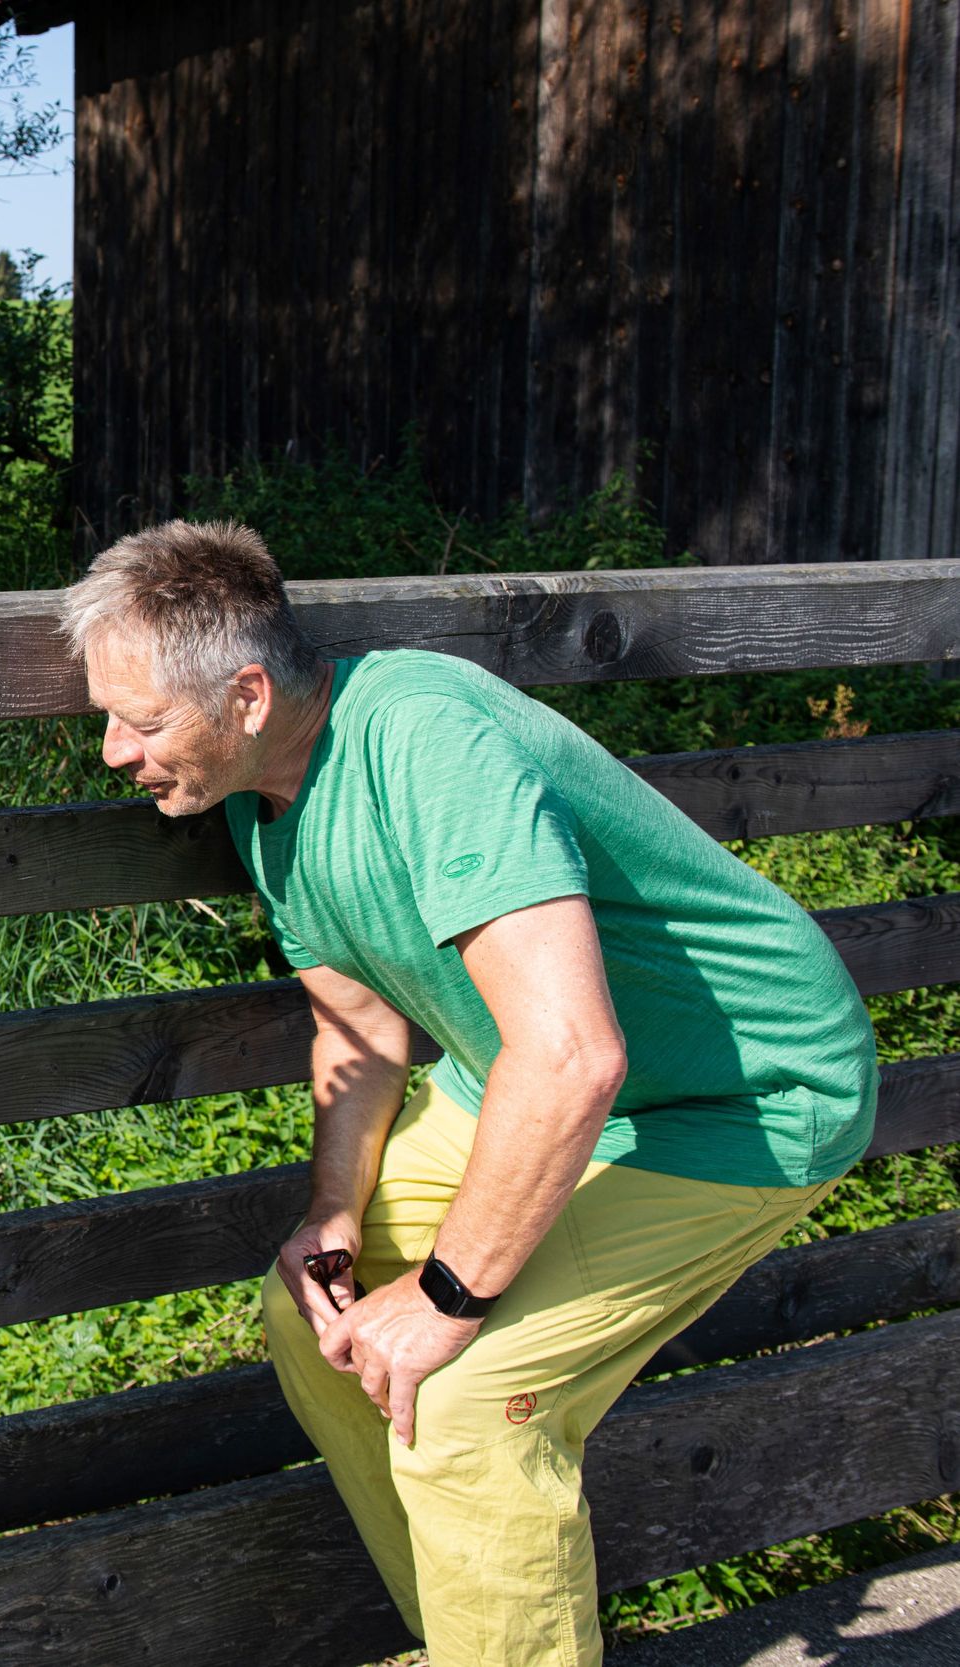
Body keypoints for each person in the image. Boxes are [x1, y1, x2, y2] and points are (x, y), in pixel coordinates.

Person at [60, 521, 876, 1667]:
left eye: (140, 721)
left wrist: (447, 1293)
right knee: (314, 1325)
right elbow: (362, 1023)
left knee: (468, 1396)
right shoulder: (258, 791)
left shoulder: (425, 742)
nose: (111, 750)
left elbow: (575, 1054)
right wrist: (334, 1213)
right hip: (526, 1084)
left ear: (245, 691)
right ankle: (474, 1636)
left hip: (742, 1093)